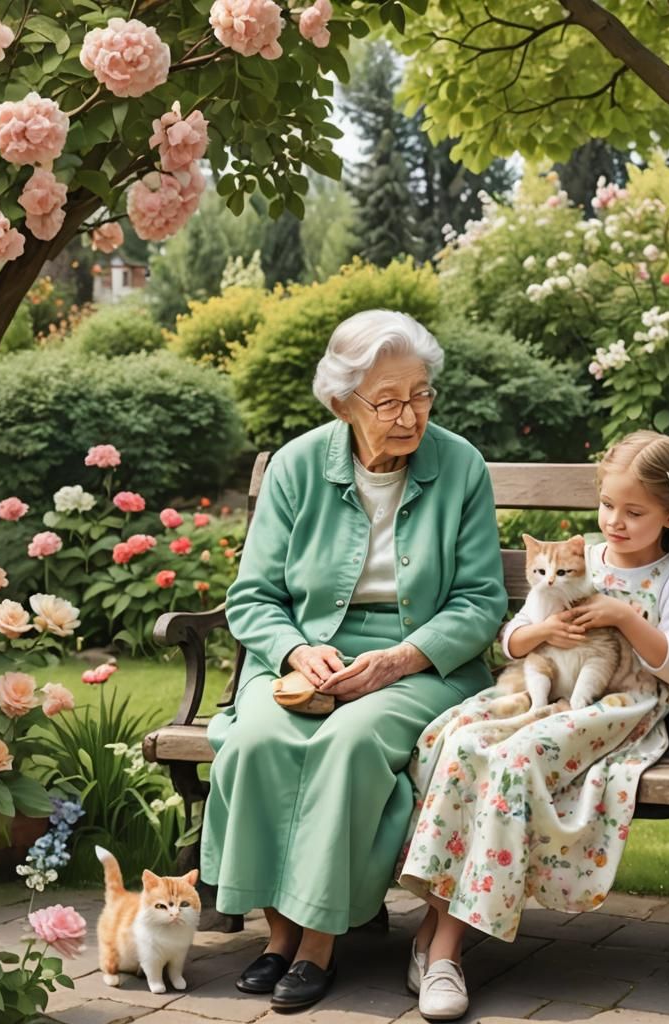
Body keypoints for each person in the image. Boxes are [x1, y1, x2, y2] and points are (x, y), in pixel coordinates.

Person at [200, 310, 507, 1013]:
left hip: (421, 664)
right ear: (343, 403)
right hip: (305, 656)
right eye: (389, 400)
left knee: (347, 743)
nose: (409, 415)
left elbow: (480, 600)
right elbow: (253, 597)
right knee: (256, 739)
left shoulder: (459, 466)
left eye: (421, 394)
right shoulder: (297, 465)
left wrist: (399, 660)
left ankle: (316, 945)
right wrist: (296, 650)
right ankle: (276, 937)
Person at [399, 430, 669, 1021]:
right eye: (607, 505)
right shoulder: (577, 558)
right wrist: (545, 633)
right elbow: (514, 637)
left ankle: (444, 949)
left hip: (621, 705)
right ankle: (433, 927)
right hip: (545, 686)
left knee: (514, 760)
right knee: (458, 739)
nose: (614, 522)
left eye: (633, 512)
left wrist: (622, 614)